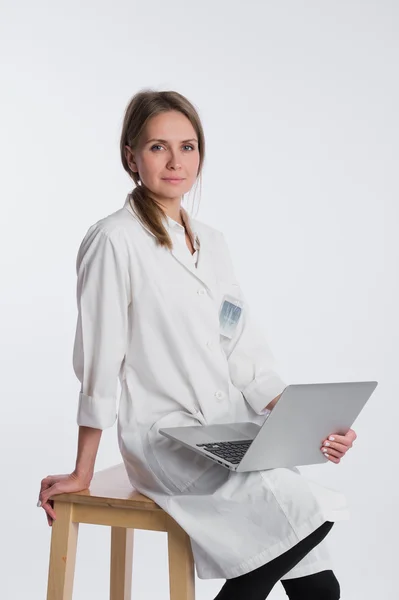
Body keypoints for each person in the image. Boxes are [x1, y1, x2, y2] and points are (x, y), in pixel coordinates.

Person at [38, 89, 357, 599]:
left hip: (228, 430)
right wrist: (83, 469)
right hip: (164, 437)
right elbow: (98, 363)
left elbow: (244, 353)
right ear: (130, 155)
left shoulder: (213, 243)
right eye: (158, 147)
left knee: (321, 587)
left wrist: (310, 425)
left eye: (188, 147)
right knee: (304, 509)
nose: (175, 161)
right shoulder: (114, 241)